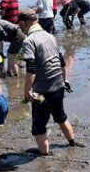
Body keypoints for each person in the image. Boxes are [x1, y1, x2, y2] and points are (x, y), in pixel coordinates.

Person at [17, 8, 83, 154]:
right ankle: (72, 143)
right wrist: (65, 80)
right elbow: (61, 62)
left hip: (42, 91)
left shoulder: (29, 41)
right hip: (58, 86)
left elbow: (31, 68)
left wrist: (27, 91)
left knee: (39, 126)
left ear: (23, 23)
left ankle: (44, 155)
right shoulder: (50, 36)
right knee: (61, 117)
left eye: (20, 25)